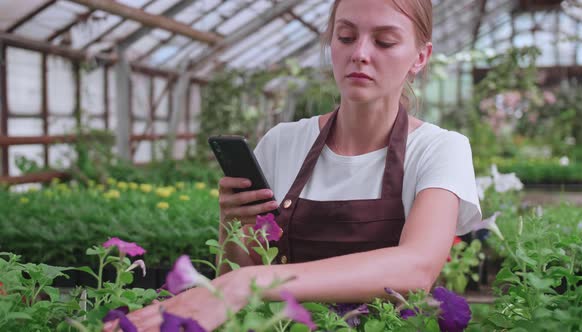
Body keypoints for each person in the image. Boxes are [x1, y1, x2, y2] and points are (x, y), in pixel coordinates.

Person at [107, 0, 481, 330]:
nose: (360, 54)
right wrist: (233, 228)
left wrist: (248, 282)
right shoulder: (283, 142)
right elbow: (233, 277)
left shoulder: (439, 149)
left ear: (420, 56)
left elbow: (416, 268)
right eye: (346, 37)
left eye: (384, 41)